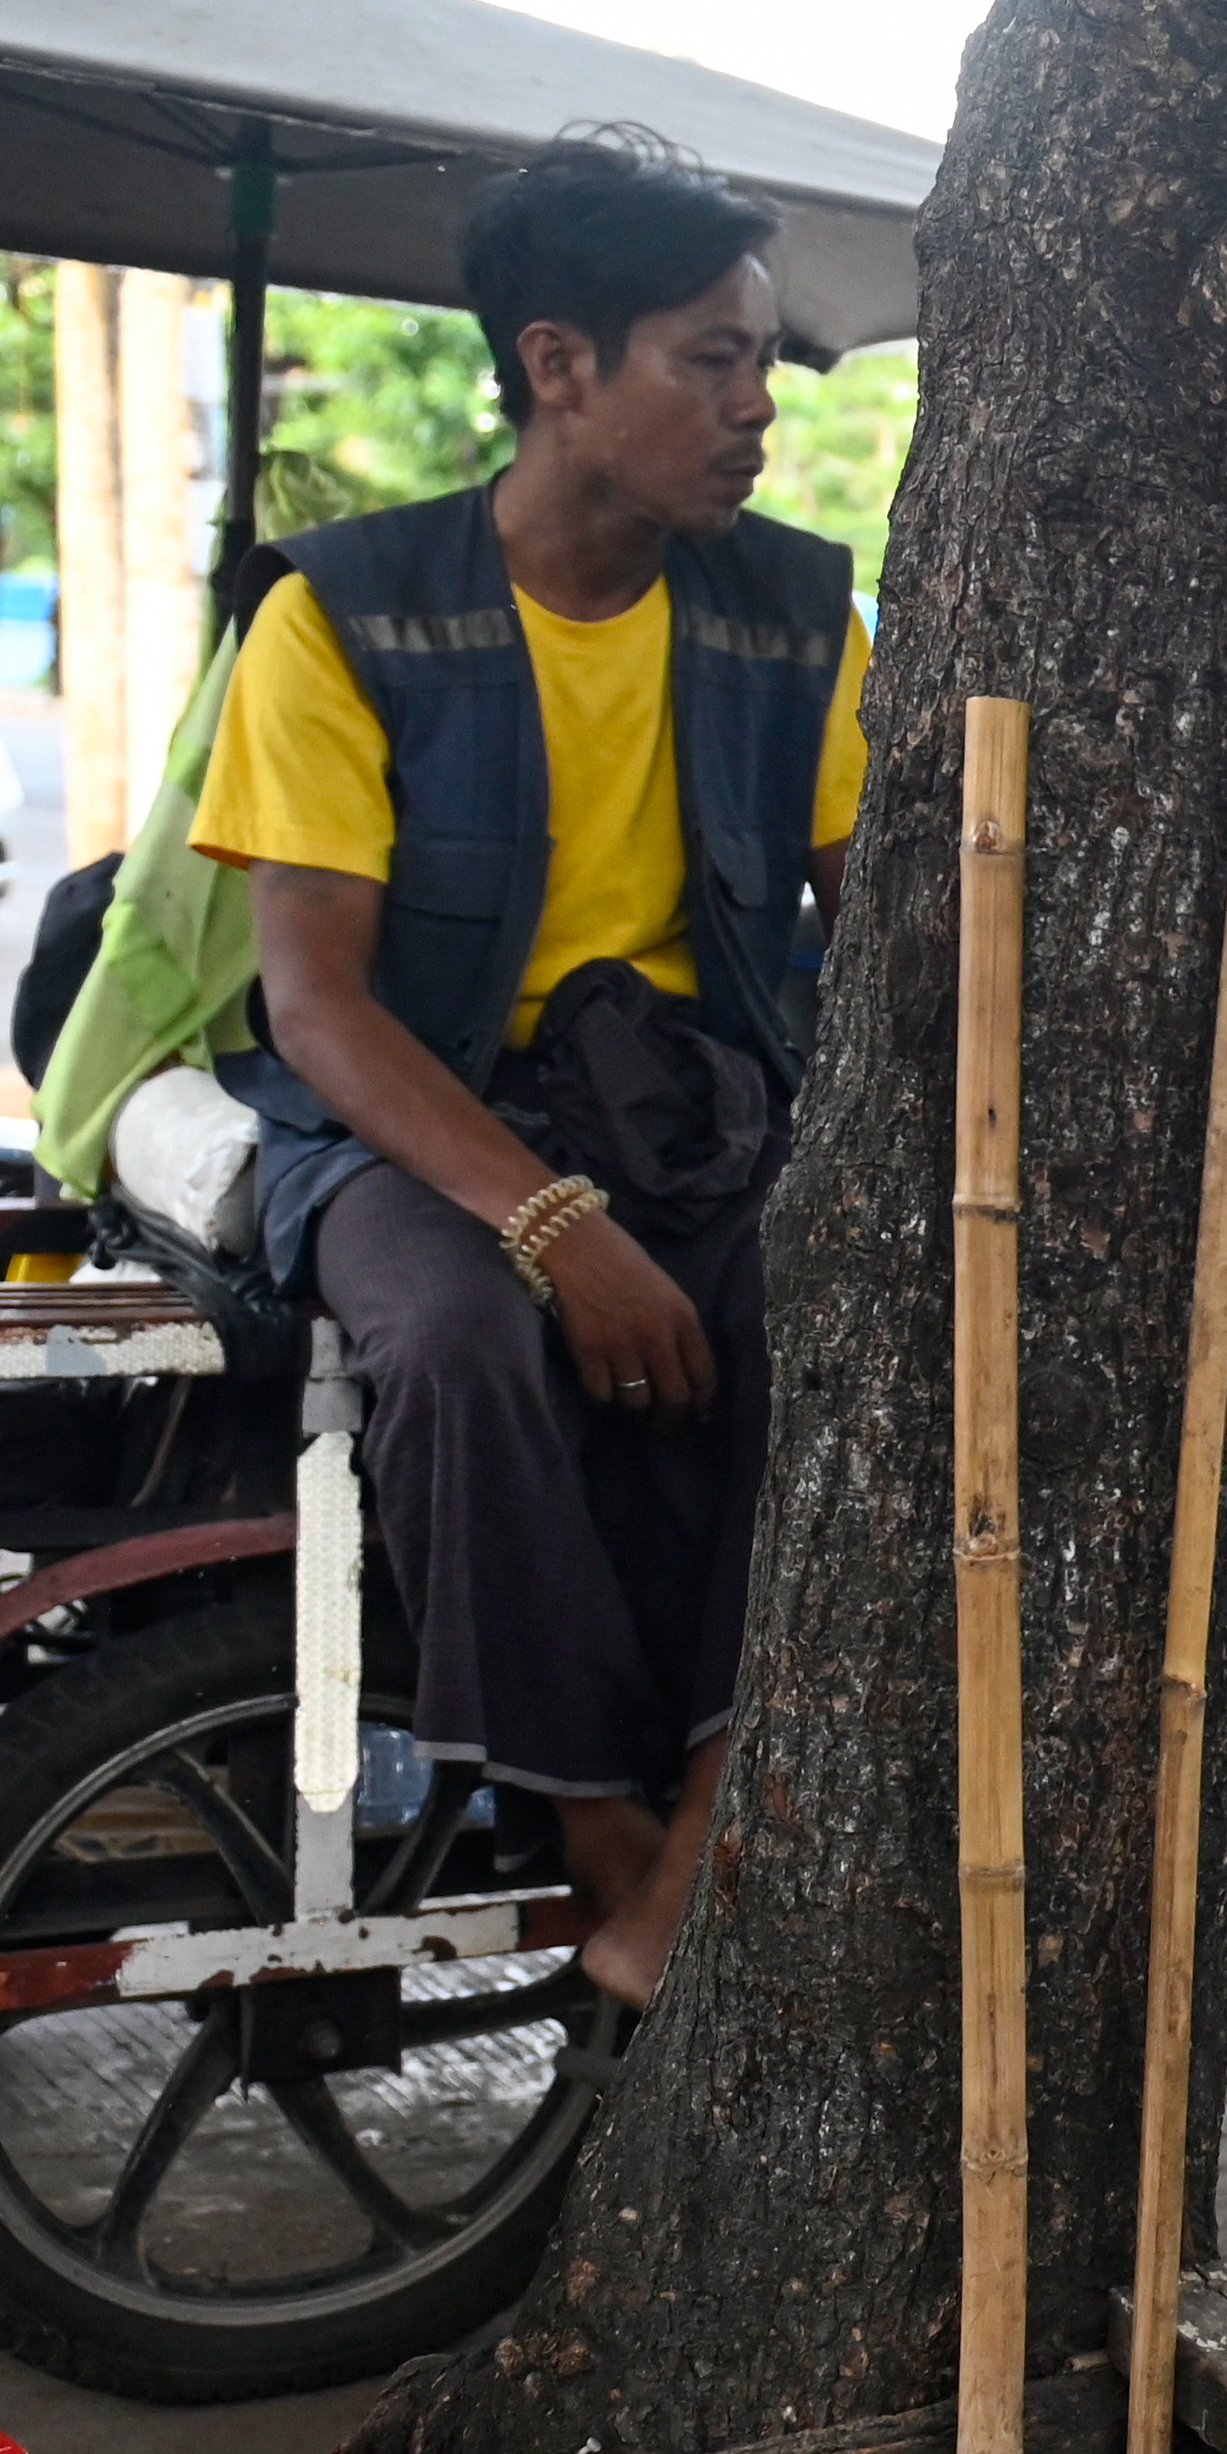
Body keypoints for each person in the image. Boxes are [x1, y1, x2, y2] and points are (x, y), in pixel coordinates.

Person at [196, 130, 866, 2010]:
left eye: (761, 365)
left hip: (698, 1110)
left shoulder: (796, 612)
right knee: (459, 1339)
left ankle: (713, 1817)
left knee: (845, 1324)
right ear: (559, 364)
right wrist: (555, 1221)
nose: (754, 410)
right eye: (709, 361)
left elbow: (886, 922)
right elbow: (320, 1005)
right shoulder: (339, 611)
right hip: (407, 1123)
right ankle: (601, 1844)